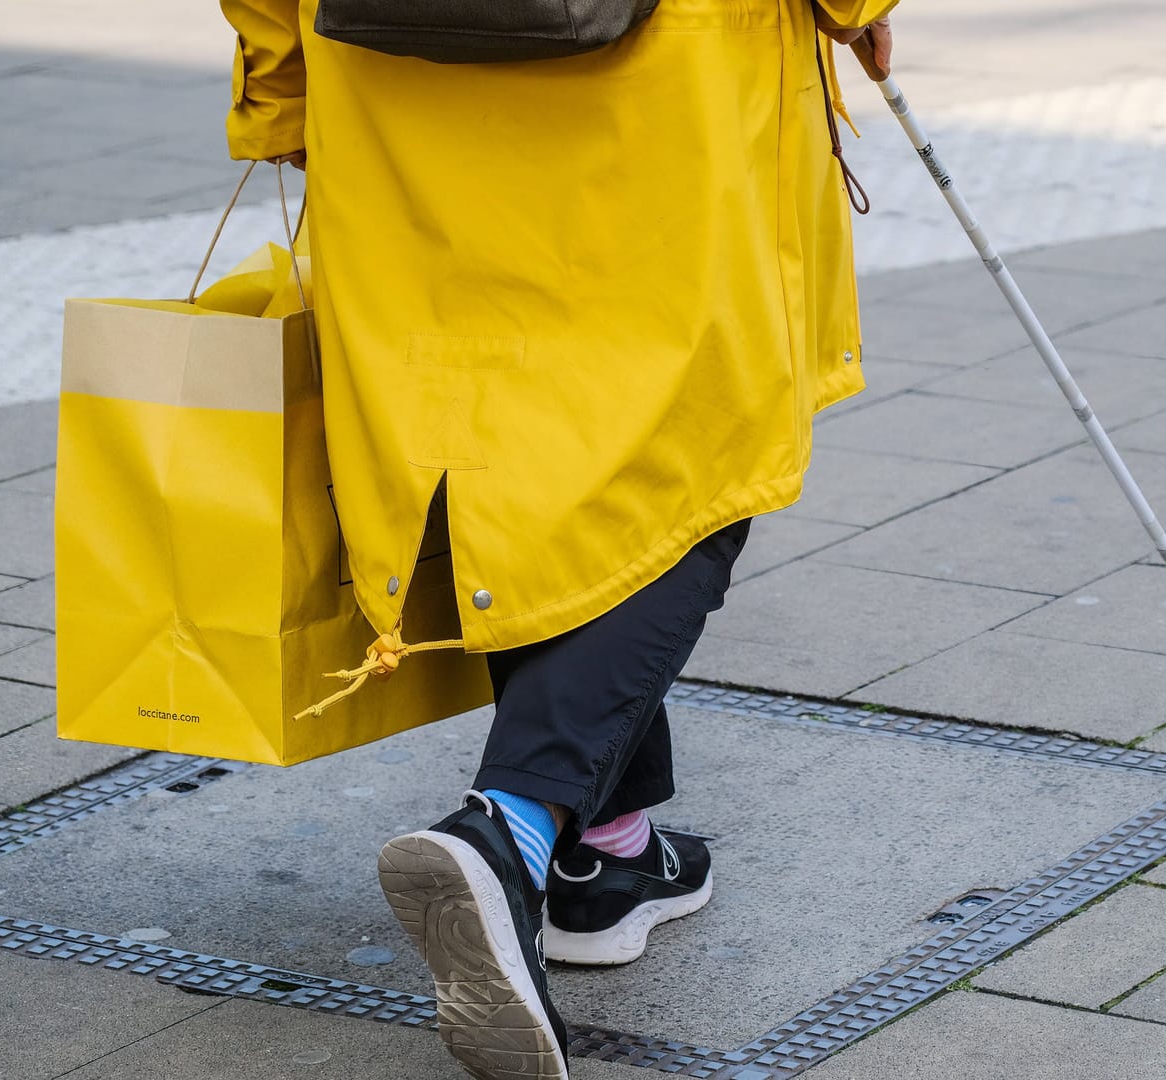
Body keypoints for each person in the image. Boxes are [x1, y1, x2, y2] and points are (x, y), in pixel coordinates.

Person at [217, 2, 897, 1076]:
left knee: (505, 439)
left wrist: (282, 91)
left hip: (394, 87)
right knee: (691, 464)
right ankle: (515, 829)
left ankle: (610, 850)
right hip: (666, 107)